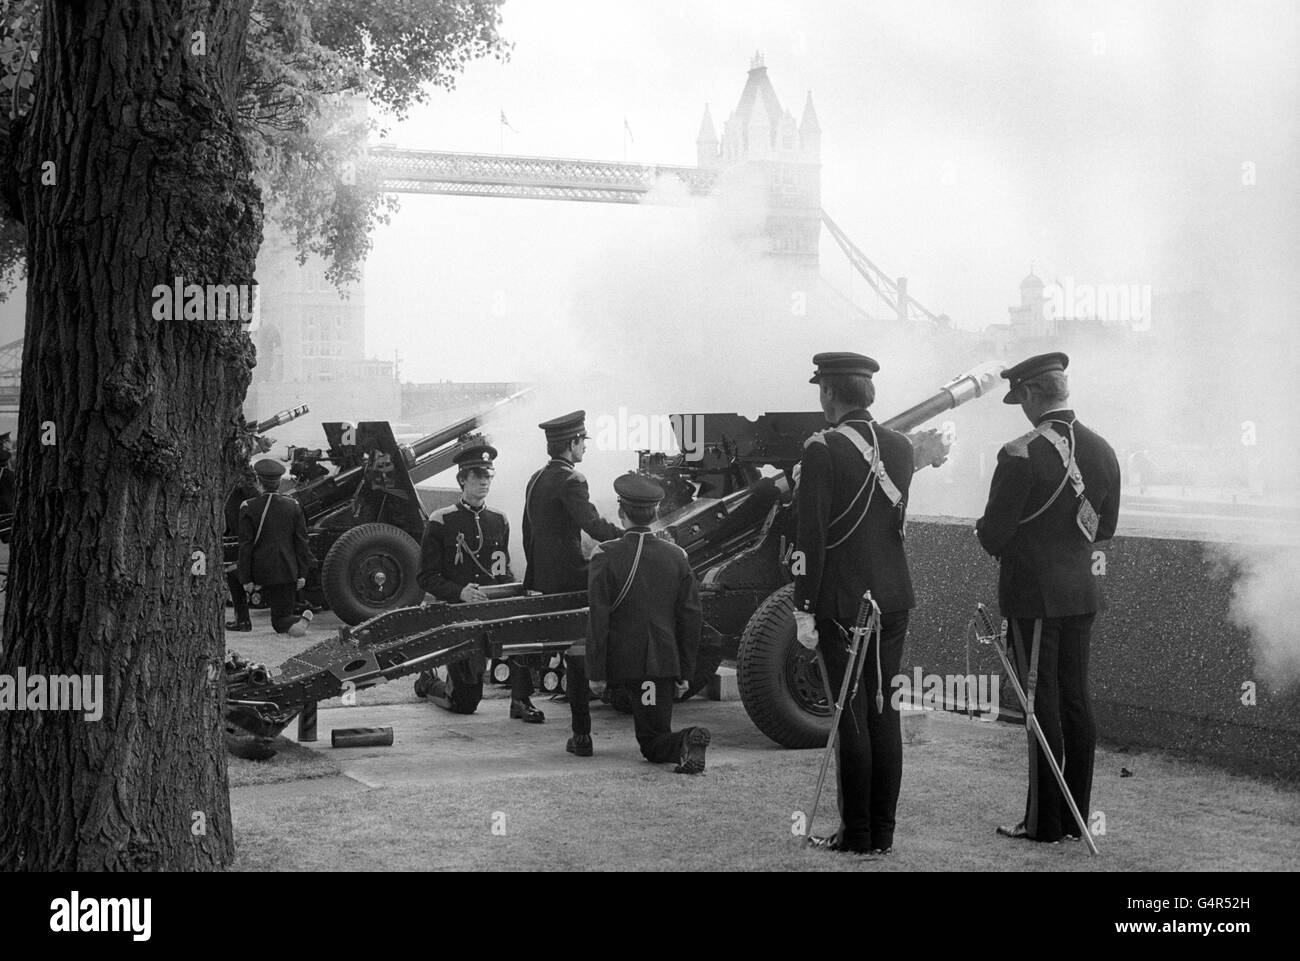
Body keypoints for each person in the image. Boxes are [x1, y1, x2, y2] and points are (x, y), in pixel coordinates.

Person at [976, 352, 1120, 844]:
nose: (1020, 409)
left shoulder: (1019, 453)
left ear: (1034, 394)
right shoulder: (1102, 448)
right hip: (1080, 592)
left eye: (1020, 399)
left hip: (1033, 599)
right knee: (1077, 703)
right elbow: (1104, 529)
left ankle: (1045, 823)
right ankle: (1075, 816)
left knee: (1042, 708)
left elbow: (992, 536)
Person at [793, 351, 916, 856]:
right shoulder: (902, 448)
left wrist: (804, 606)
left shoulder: (821, 450)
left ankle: (857, 834)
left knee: (851, 715)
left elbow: (810, 538)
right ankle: (882, 833)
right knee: (885, 710)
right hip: (893, 596)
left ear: (828, 393)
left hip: (843, 603)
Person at [586, 474, 709, 773]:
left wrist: (597, 673)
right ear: (656, 512)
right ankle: (683, 740)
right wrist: (685, 672)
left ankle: (683, 740)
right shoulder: (677, 556)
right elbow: (691, 618)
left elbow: (598, 619)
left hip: (622, 662)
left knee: (651, 744)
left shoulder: (604, 554)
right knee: (654, 733)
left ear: (620, 512)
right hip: (662, 664)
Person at [413, 443, 543, 722]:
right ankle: (427, 684)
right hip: (460, 614)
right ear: (462, 480)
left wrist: (516, 588)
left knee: (523, 626)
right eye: (477, 477)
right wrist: (460, 592)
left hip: (493, 609)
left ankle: (520, 699)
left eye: (488, 477)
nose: (485, 483)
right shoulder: (442, 521)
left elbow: (500, 569)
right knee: (464, 704)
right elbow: (426, 577)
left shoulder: (499, 520)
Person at [522, 410, 621, 757]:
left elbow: (528, 533)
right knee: (579, 654)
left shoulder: (536, 478)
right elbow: (592, 525)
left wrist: (536, 575)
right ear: (572, 443)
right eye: (583, 442)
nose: (585, 448)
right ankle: (582, 736)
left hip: (543, 576)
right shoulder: (573, 480)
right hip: (568, 578)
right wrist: (629, 538)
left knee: (571, 651)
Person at [237, 458, 314, 637]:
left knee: (278, 623)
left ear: (259, 482)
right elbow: (301, 542)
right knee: (281, 617)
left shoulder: (248, 507)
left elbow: (245, 546)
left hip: (261, 571)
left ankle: (242, 619)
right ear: (279, 482)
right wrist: (302, 573)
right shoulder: (293, 506)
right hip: (288, 569)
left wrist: (246, 579)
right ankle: (298, 619)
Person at [224, 462, 260, 632]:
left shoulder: (235, 498)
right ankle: (242, 620)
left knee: (233, 573)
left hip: (243, 544)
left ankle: (243, 620)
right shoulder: (255, 496)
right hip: (253, 543)